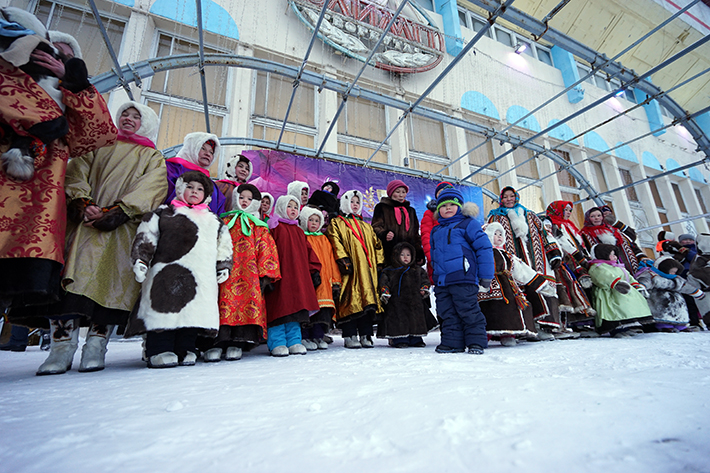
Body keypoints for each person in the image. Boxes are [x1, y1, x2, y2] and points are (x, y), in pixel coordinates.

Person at [34, 101, 166, 376]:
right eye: (125, 115)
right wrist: (83, 203)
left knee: (111, 286)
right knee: (72, 283)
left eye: (136, 117)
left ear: (148, 123)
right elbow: (75, 173)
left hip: (121, 230)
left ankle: (96, 346)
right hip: (85, 226)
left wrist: (119, 210)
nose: (129, 120)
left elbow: (153, 187)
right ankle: (61, 347)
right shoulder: (98, 145)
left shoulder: (153, 157)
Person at [0, 22, 117, 313]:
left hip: (38, 203)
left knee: (14, 284)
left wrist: (73, 81)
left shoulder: (69, 99)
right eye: (48, 52)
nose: (52, 59)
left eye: (62, 57)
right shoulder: (8, 78)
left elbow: (98, 132)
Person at [125, 171, 233, 368]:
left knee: (194, 311)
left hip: (200, 276)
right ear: (181, 187)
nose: (194, 191)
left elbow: (224, 244)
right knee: (164, 309)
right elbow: (147, 235)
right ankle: (158, 349)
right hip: (166, 273)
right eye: (190, 186)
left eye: (200, 189)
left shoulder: (213, 220)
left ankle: (186, 347)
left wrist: (223, 265)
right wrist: (141, 260)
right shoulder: (164, 213)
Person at [203, 183, 280, 361]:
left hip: (249, 275)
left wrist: (266, 274)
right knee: (222, 305)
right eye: (242, 197)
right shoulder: (224, 221)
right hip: (225, 273)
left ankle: (238, 342)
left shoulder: (258, 226)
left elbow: (266, 248)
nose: (245, 201)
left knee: (246, 306)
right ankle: (218, 342)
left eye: (249, 199)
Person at [487, 187, 562, 339]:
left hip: (535, 259)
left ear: (517, 197)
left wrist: (554, 253)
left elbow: (545, 234)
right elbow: (489, 237)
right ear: (501, 199)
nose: (509, 199)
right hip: (511, 261)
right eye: (505, 197)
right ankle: (523, 328)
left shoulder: (530, 215)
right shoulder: (495, 217)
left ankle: (542, 327)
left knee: (538, 288)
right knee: (518, 294)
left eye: (511, 196)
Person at [430, 188, 494, 354]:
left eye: (452, 204)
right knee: (447, 313)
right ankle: (453, 343)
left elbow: (484, 248)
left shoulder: (468, 224)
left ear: (460, 207)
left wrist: (486, 275)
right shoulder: (436, 230)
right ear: (438, 210)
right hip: (443, 281)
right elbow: (434, 255)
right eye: (444, 206)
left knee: (468, 310)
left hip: (463, 277)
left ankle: (476, 342)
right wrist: (434, 277)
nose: (448, 208)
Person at [479, 223, 556, 346]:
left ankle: (509, 334)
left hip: (508, 287)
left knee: (512, 309)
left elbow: (522, 270)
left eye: (501, 234)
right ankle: (484, 335)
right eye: (495, 234)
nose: (499, 236)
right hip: (487, 287)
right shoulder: (481, 253)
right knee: (488, 310)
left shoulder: (507, 255)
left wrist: (541, 284)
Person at [326, 190, 384, 348]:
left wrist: (379, 263)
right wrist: (343, 259)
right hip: (349, 270)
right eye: (352, 202)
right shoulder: (337, 223)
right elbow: (334, 240)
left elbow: (377, 245)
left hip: (367, 271)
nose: (355, 205)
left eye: (358, 202)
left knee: (366, 302)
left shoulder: (366, 226)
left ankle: (366, 335)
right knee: (350, 301)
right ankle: (349, 335)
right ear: (345, 203)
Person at [265, 195, 321, 356]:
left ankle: (294, 340)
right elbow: (268, 251)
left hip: (297, 278)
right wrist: (268, 274)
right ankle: (277, 342)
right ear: (281, 207)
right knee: (279, 308)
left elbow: (309, 252)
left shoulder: (298, 231)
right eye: (289, 206)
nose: (293, 210)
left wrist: (314, 270)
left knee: (295, 309)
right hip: (280, 277)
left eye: (296, 207)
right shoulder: (274, 227)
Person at [545, 201, 596, 334]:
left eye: (569, 210)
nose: (568, 213)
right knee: (567, 289)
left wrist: (584, 257)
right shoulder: (552, 224)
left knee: (579, 288)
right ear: (557, 210)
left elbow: (579, 244)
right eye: (566, 210)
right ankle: (572, 322)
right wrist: (579, 257)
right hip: (565, 260)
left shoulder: (569, 225)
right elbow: (563, 243)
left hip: (577, 260)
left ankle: (584, 321)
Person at [298, 206, 341, 350]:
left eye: (317, 220)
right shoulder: (303, 237)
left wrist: (335, 281)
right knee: (309, 311)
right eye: (311, 220)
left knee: (322, 313)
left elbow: (331, 260)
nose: (315, 223)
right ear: (304, 221)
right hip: (310, 281)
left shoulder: (324, 239)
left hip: (324, 282)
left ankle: (318, 335)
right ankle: (305, 336)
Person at [588, 244, 652, 337]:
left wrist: (636, 285)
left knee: (628, 307)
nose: (615, 257)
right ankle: (615, 330)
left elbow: (629, 277)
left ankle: (627, 327)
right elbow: (603, 277)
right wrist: (616, 283)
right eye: (611, 254)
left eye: (615, 254)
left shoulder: (618, 267)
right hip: (609, 294)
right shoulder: (598, 267)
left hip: (624, 291)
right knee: (614, 311)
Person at [377, 242, 433, 348]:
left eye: (408, 255)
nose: (405, 257)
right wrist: (385, 292)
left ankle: (416, 338)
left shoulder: (417, 270)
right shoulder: (389, 271)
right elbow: (384, 283)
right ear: (396, 256)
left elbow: (425, 281)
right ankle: (400, 339)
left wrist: (424, 289)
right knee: (399, 320)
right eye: (402, 255)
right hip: (397, 302)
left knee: (416, 319)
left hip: (415, 301)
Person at [635, 256, 704, 332]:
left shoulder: (676, 279)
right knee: (662, 311)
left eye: (675, 272)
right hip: (659, 298)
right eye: (671, 271)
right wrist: (642, 286)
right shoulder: (652, 275)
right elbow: (645, 281)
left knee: (680, 310)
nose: (673, 273)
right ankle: (663, 325)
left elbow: (685, 286)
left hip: (676, 300)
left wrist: (696, 292)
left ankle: (680, 325)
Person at [165, 132, 226, 215]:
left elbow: (219, 212)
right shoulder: (172, 169)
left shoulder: (211, 184)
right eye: (203, 148)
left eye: (211, 152)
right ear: (191, 147)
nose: (208, 154)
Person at [371, 179, 424, 267]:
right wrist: (384, 234)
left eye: (403, 192)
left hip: (408, 253)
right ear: (391, 193)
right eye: (397, 192)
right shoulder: (382, 207)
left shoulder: (411, 211)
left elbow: (415, 233)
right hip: (389, 251)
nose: (401, 195)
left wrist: (418, 251)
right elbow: (376, 226)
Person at [581, 207, 649, 275]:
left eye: (599, 215)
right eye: (593, 216)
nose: (596, 218)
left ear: (602, 217)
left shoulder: (614, 230)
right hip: (609, 273)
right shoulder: (585, 235)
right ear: (588, 218)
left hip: (631, 268)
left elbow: (631, 243)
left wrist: (641, 257)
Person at [421, 182, 454, 283]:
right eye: (440, 192)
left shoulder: (460, 214)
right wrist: (432, 258)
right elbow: (426, 237)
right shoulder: (430, 213)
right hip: (437, 260)